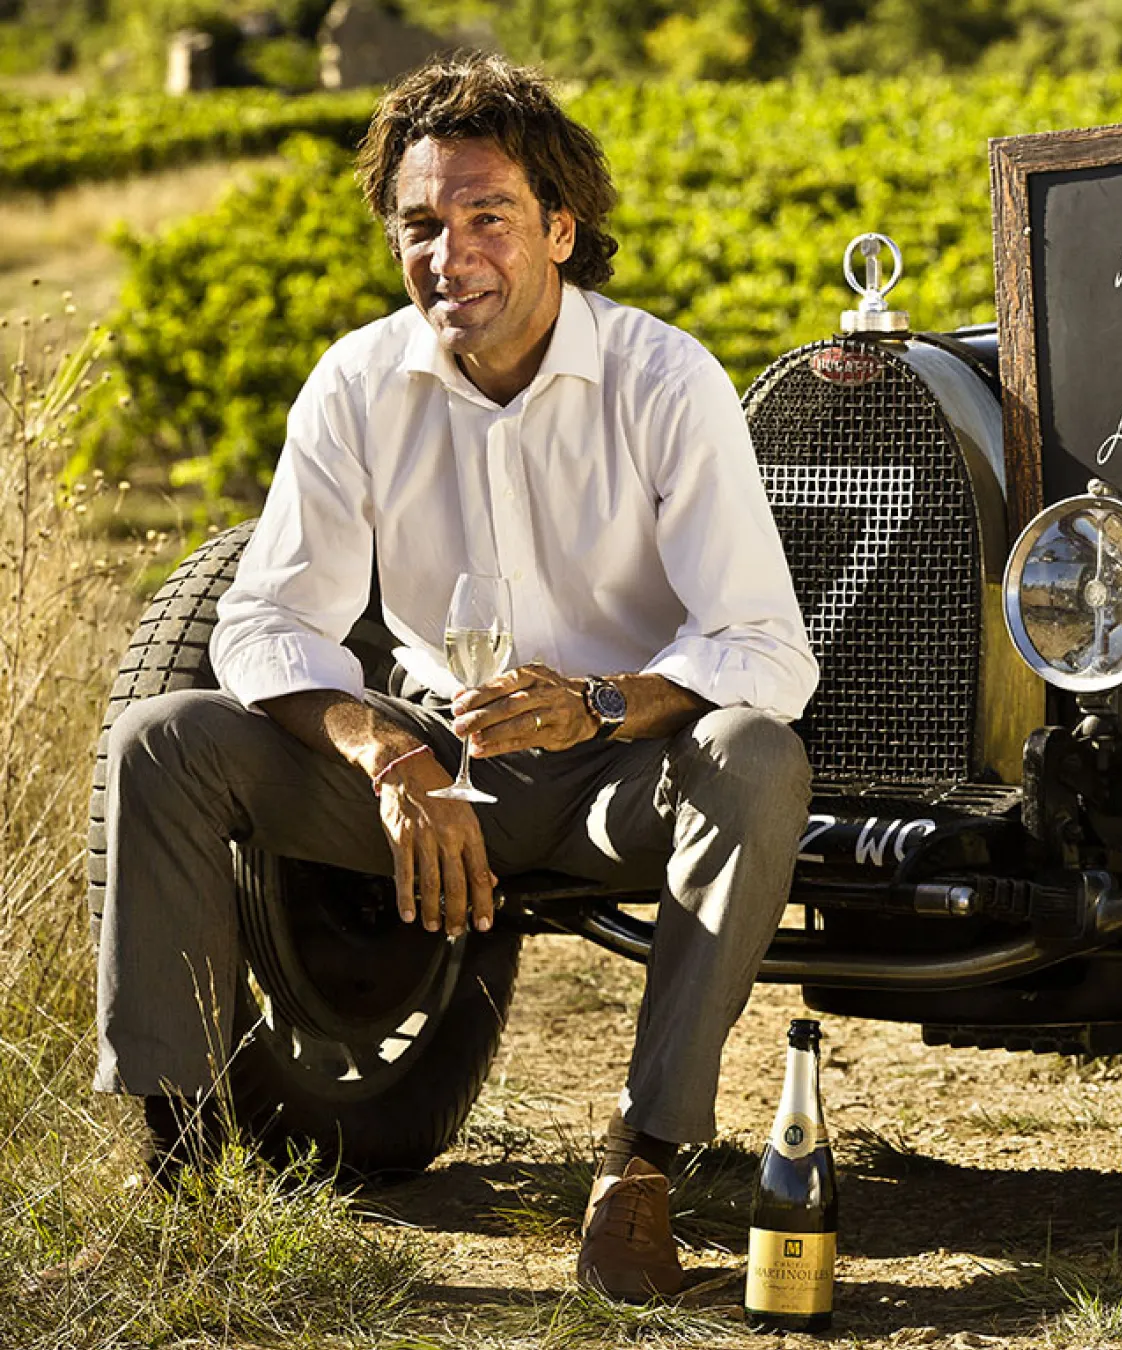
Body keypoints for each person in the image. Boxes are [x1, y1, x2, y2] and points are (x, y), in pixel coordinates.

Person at [92, 53, 815, 1302]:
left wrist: (599, 700)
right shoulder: (358, 383)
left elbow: (761, 645)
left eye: (488, 215)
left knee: (756, 757)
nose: (452, 252)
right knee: (164, 737)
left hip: (618, 775)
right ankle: (187, 1165)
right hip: (437, 764)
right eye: (422, 224)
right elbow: (264, 620)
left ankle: (641, 1165)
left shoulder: (664, 378)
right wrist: (388, 755)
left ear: (559, 230)